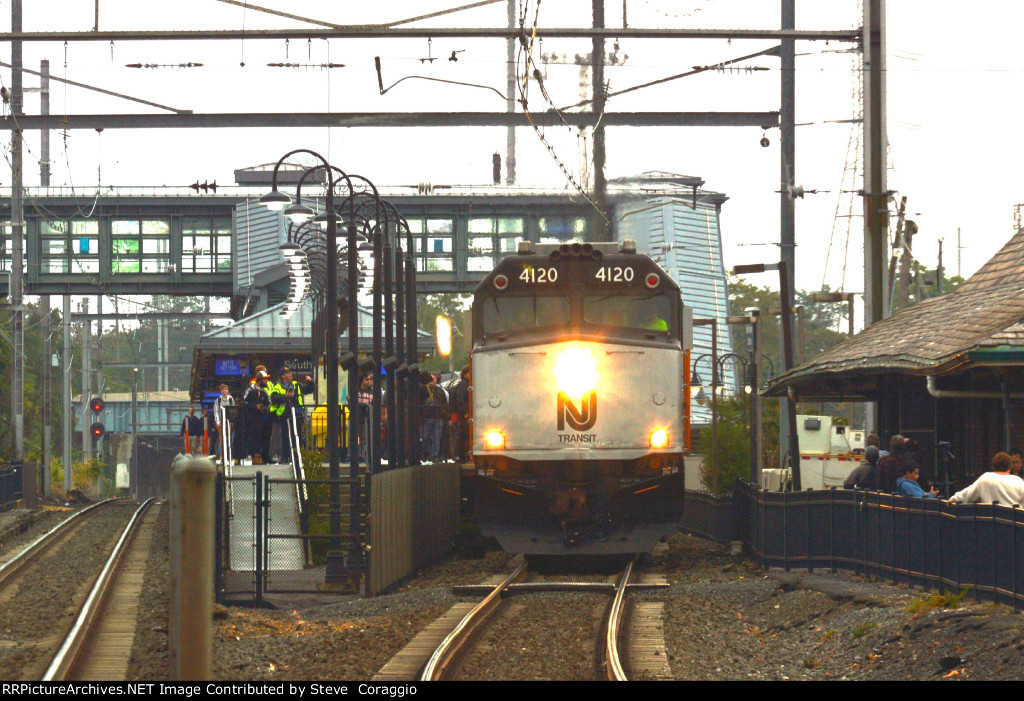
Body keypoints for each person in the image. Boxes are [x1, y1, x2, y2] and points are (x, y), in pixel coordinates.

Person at [948, 452, 1024, 505]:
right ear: (1009, 468)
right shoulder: (1018, 481)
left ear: (993, 466)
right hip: (1013, 524)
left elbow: (966, 494)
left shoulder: (985, 478)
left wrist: (952, 500)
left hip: (991, 523)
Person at [242, 370, 271, 465]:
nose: (266, 381)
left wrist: (264, 408)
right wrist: (255, 407)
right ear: (260, 380)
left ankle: (260, 456)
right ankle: (254, 456)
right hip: (250, 420)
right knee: (253, 437)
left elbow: (269, 403)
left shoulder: (264, 391)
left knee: (260, 438)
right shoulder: (250, 390)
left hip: (261, 419)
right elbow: (244, 403)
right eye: (265, 379)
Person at [419, 372, 449, 462]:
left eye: (434, 379)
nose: (432, 380)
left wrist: (446, 416)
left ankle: (435, 455)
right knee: (425, 437)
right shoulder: (423, 389)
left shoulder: (440, 391)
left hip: (437, 417)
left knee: (437, 437)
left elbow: (445, 404)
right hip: (427, 417)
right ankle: (425, 452)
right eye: (431, 378)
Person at [449, 365, 471, 463]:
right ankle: (459, 455)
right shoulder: (464, 385)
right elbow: (460, 400)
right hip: (462, 415)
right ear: (466, 374)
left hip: (460, 414)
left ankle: (459, 455)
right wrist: (465, 412)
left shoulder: (461, 384)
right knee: (461, 435)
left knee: (460, 435)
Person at [213, 384, 235, 463]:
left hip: (229, 422)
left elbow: (233, 411)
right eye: (223, 389)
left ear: (228, 390)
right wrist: (217, 421)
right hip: (221, 423)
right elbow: (216, 411)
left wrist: (232, 422)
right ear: (221, 391)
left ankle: (230, 456)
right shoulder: (218, 400)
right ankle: (222, 455)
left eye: (226, 389)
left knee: (229, 439)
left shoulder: (230, 399)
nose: (224, 391)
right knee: (222, 439)